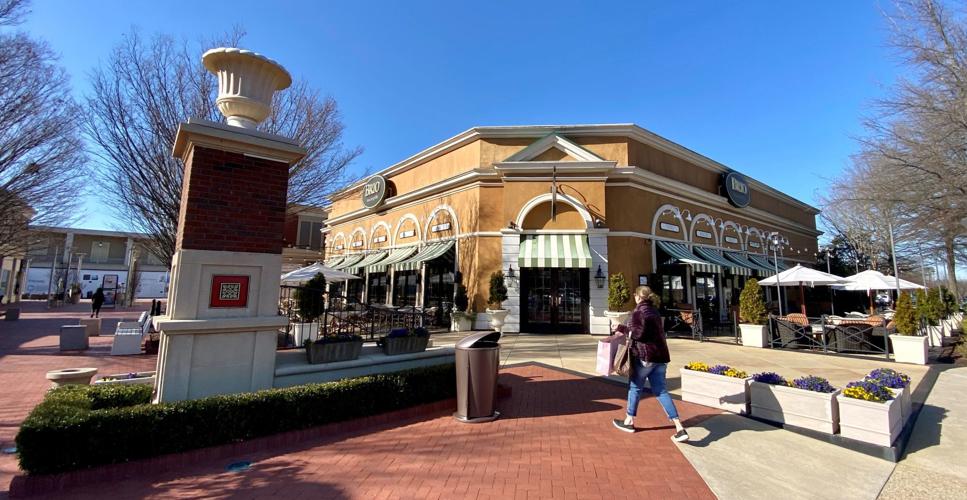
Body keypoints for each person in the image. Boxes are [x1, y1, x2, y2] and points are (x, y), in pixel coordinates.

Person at [611, 285, 689, 442]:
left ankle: (629, 421)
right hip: (660, 357)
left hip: (645, 356)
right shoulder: (654, 311)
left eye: (635, 295)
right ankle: (679, 426)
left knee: (635, 387)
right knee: (661, 391)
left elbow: (638, 334)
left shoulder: (639, 312)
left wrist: (620, 328)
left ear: (639, 297)